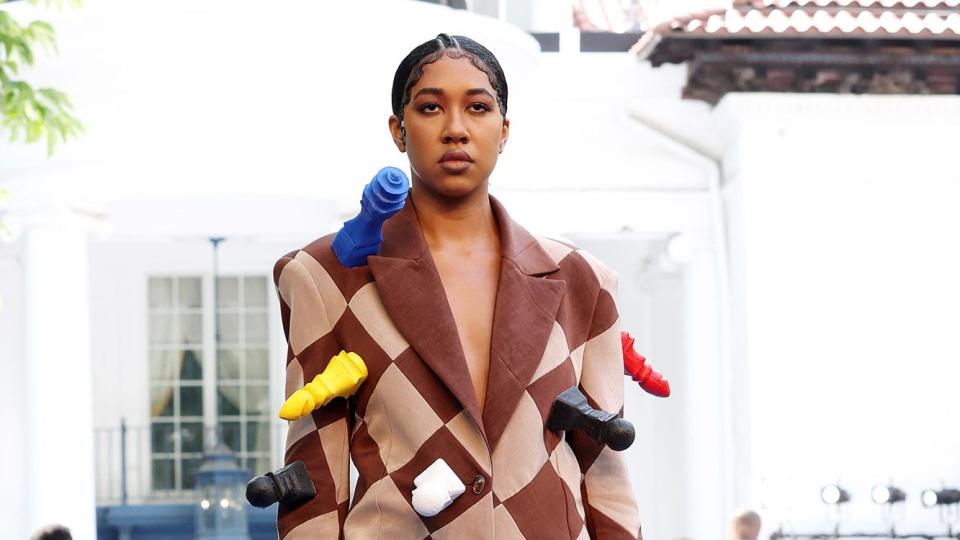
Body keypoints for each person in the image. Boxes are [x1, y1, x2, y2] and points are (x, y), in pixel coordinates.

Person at [273, 33, 641, 539]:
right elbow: (314, 469)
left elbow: (606, 474)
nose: (455, 129)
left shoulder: (582, 280)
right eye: (429, 108)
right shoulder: (325, 276)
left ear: (504, 129)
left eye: (478, 107)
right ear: (398, 131)